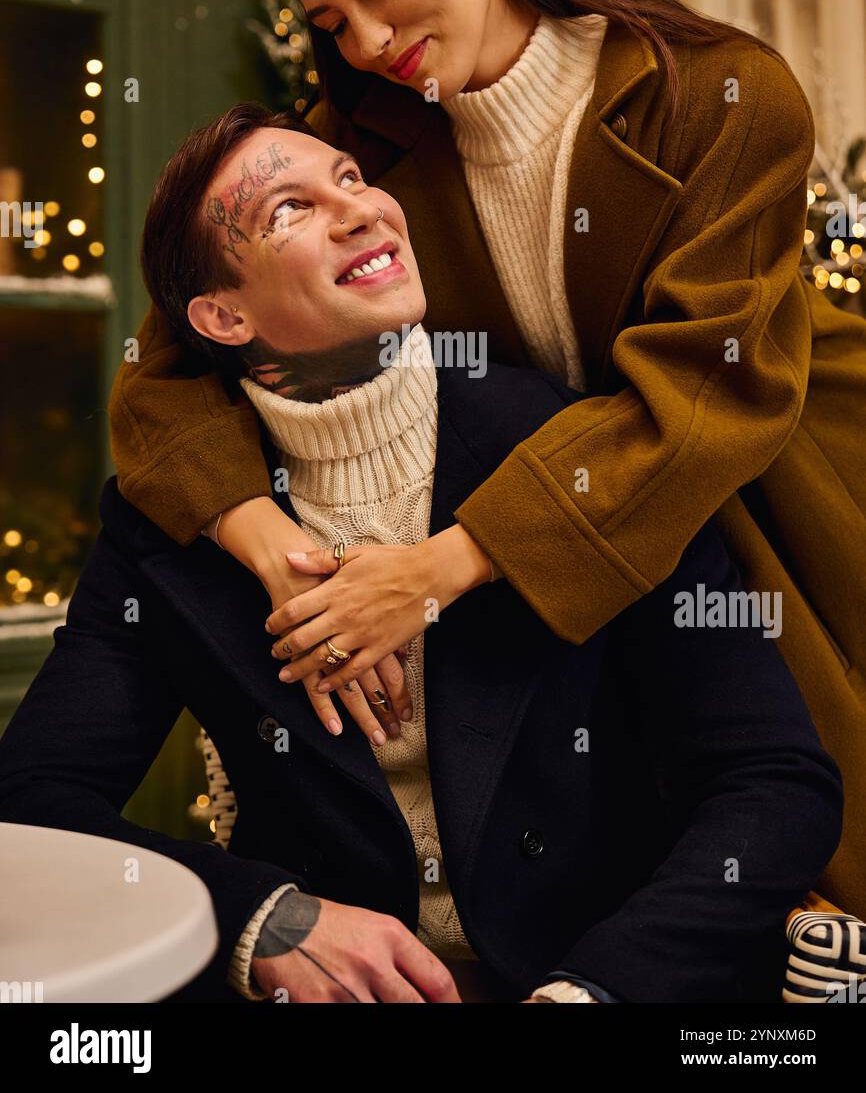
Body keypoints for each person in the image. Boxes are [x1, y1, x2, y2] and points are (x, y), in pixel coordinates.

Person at [107, 0, 866, 917]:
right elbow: (162, 372)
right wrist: (266, 542)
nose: (365, 40)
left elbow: (701, 399)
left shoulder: (721, 93)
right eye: (330, 22)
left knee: (813, 831)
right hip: (564, 525)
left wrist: (436, 568)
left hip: (772, 487)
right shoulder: (360, 150)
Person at [0, 106, 844, 1003]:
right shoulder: (170, 521)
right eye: (288, 209)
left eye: (353, 180)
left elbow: (773, 781)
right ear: (222, 313)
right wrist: (264, 919)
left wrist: (596, 990)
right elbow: (30, 809)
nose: (362, 210)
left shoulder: (567, 449)